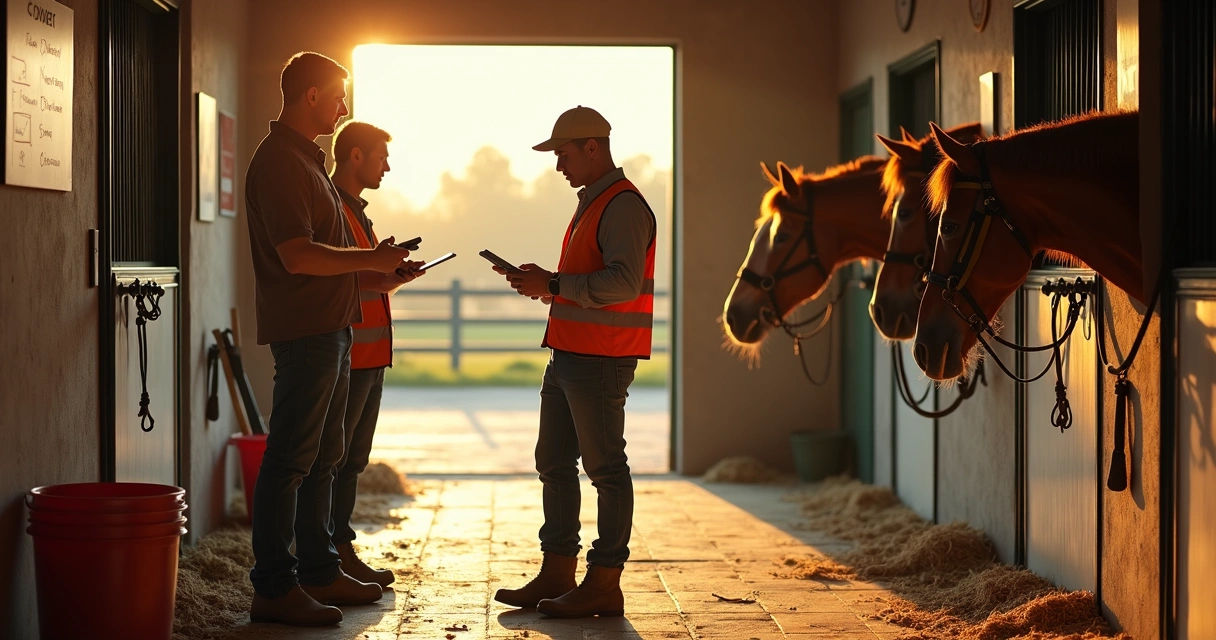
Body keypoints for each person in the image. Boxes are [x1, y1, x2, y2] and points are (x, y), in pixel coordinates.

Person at [243, 51, 413, 627]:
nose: (345, 107)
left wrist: (376, 274)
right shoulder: (282, 164)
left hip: (331, 329)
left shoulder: (306, 161)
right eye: (339, 94)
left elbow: (328, 262)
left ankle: (318, 572)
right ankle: (273, 587)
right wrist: (371, 256)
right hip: (308, 333)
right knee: (291, 459)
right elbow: (297, 256)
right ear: (311, 95)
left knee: (321, 459)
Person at [491, 106, 657, 618]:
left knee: (605, 469)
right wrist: (548, 287)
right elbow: (593, 282)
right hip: (568, 355)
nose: (558, 165)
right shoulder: (594, 203)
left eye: (562, 153)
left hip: (600, 360)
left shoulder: (622, 205)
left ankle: (605, 581)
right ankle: (558, 572)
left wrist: (556, 285)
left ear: (593, 147)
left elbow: (623, 283)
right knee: (554, 463)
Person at [328, 120, 424, 588]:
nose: (388, 165)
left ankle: (338, 552)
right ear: (356, 156)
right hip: (350, 355)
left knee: (352, 460)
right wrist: (378, 270)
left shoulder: (357, 212)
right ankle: (330, 555)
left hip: (370, 355)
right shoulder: (332, 209)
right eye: (381, 156)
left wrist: (389, 274)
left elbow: (358, 277)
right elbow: (331, 276)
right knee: (336, 460)